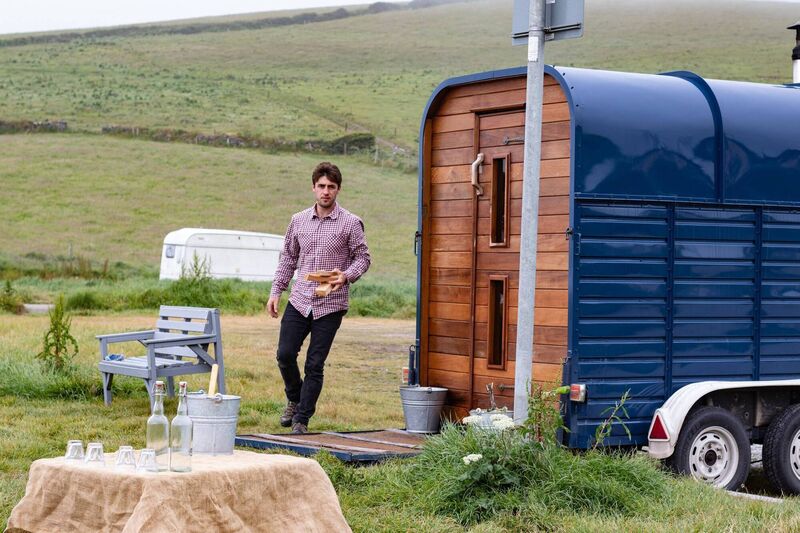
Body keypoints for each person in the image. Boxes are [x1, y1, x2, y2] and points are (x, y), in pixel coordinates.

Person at [267, 161, 371, 434]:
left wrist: (346, 275)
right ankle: (294, 397)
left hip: (331, 304)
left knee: (315, 363)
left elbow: (363, 258)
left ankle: (301, 419)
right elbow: (288, 258)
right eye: (322, 186)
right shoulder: (298, 220)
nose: (326, 191)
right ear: (314, 188)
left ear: (338, 190)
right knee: (285, 355)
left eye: (331, 187)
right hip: (300, 299)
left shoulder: (351, 222)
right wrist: (276, 291)